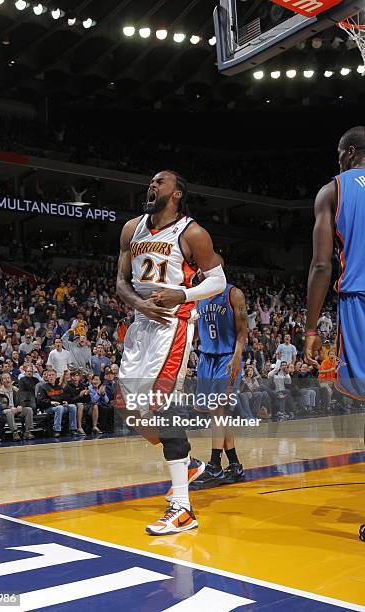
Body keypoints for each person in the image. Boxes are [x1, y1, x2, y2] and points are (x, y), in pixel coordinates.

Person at [116, 169, 226, 535]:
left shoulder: (192, 232)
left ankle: (183, 509)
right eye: (151, 181)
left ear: (177, 193)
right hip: (140, 325)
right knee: (133, 412)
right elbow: (120, 281)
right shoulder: (132, 228)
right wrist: (139, 304)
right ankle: (189, 463)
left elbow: (218, 280)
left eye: (160, 182)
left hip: (172, 327)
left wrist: (184, 294)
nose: (152, 185)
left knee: (163, 408)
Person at [304, 126, 365, 542]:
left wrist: (311, 327)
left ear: (348, 153)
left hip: (359, 301)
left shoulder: (333, 192)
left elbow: (322, 266)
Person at [185, 278, 247, 489]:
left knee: (217, 411)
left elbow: (242, 331)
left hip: (226, 358)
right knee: (218, 415)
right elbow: (193, 330)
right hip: (206, 358)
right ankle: (235, 465)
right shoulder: (198, 295)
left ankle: (214, 466)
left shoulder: (233, 294)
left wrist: (236, 358)